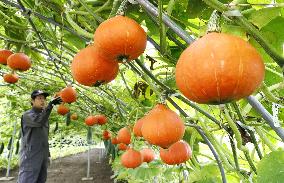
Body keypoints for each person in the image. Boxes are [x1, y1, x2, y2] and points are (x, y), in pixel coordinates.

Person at [17, 90, 62, 183]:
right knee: (28, 180)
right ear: (32, 101)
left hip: (42, 156)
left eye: (44, 99)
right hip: (30, 157)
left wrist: (47, 154)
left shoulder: (44, 117)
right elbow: (38, 122)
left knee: (41, 180)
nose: (43, 101)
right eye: (39, 98)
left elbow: (44, 137)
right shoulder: (27, 115)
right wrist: (50, 105)